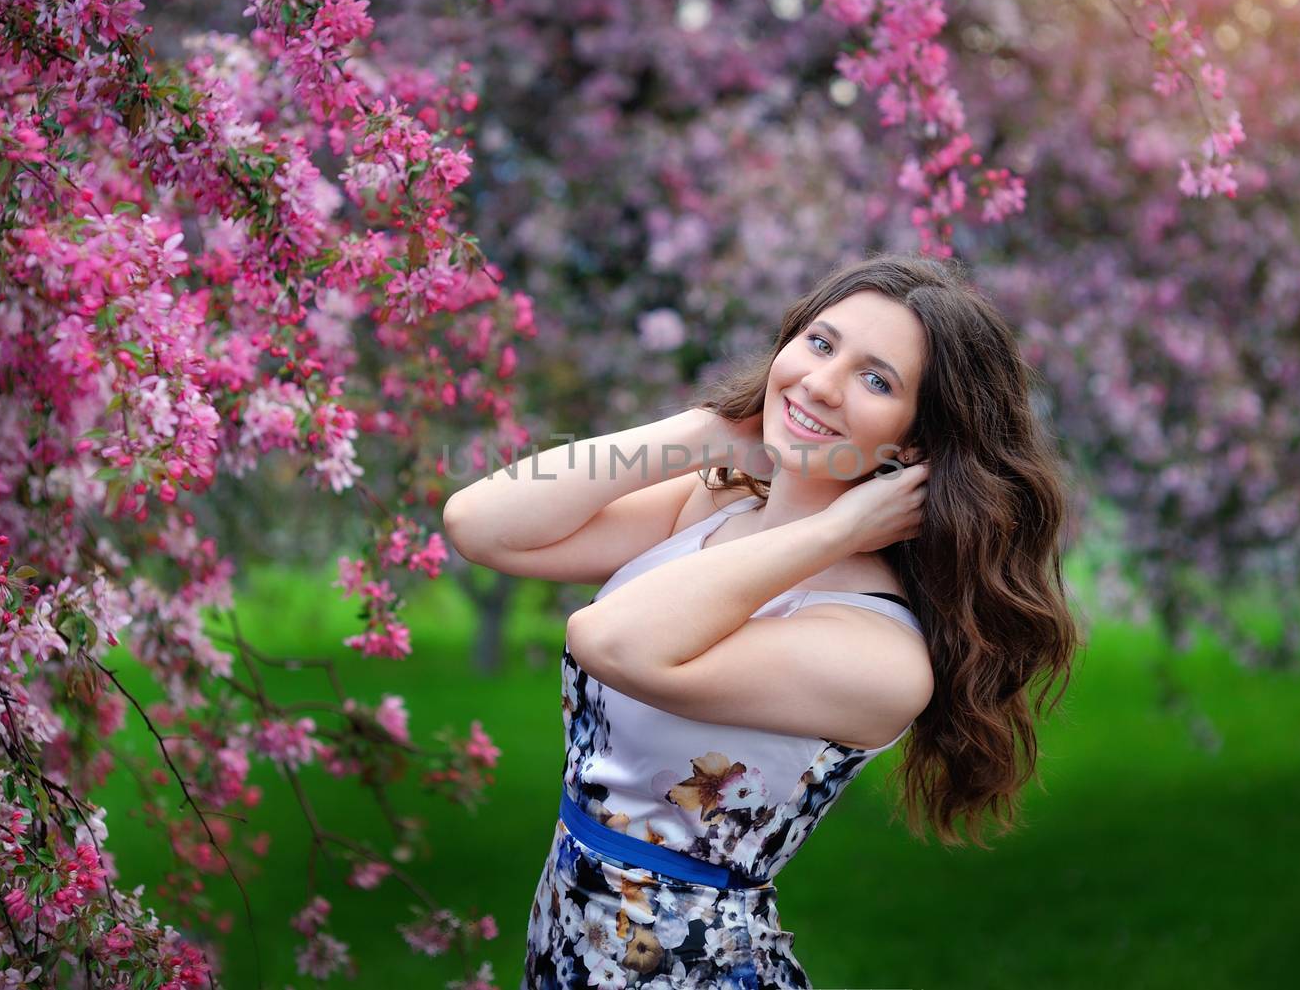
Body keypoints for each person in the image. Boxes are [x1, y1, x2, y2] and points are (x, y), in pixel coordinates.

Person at [443, 253, 1084, 989]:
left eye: (876, 379)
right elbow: (481, 522)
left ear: (914, 446)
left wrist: (834, 532)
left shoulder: (881, 651)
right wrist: (708, 429)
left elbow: (609, 640)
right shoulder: (719, 504)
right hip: (568, 944)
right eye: (818, 342)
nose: (819, 382)